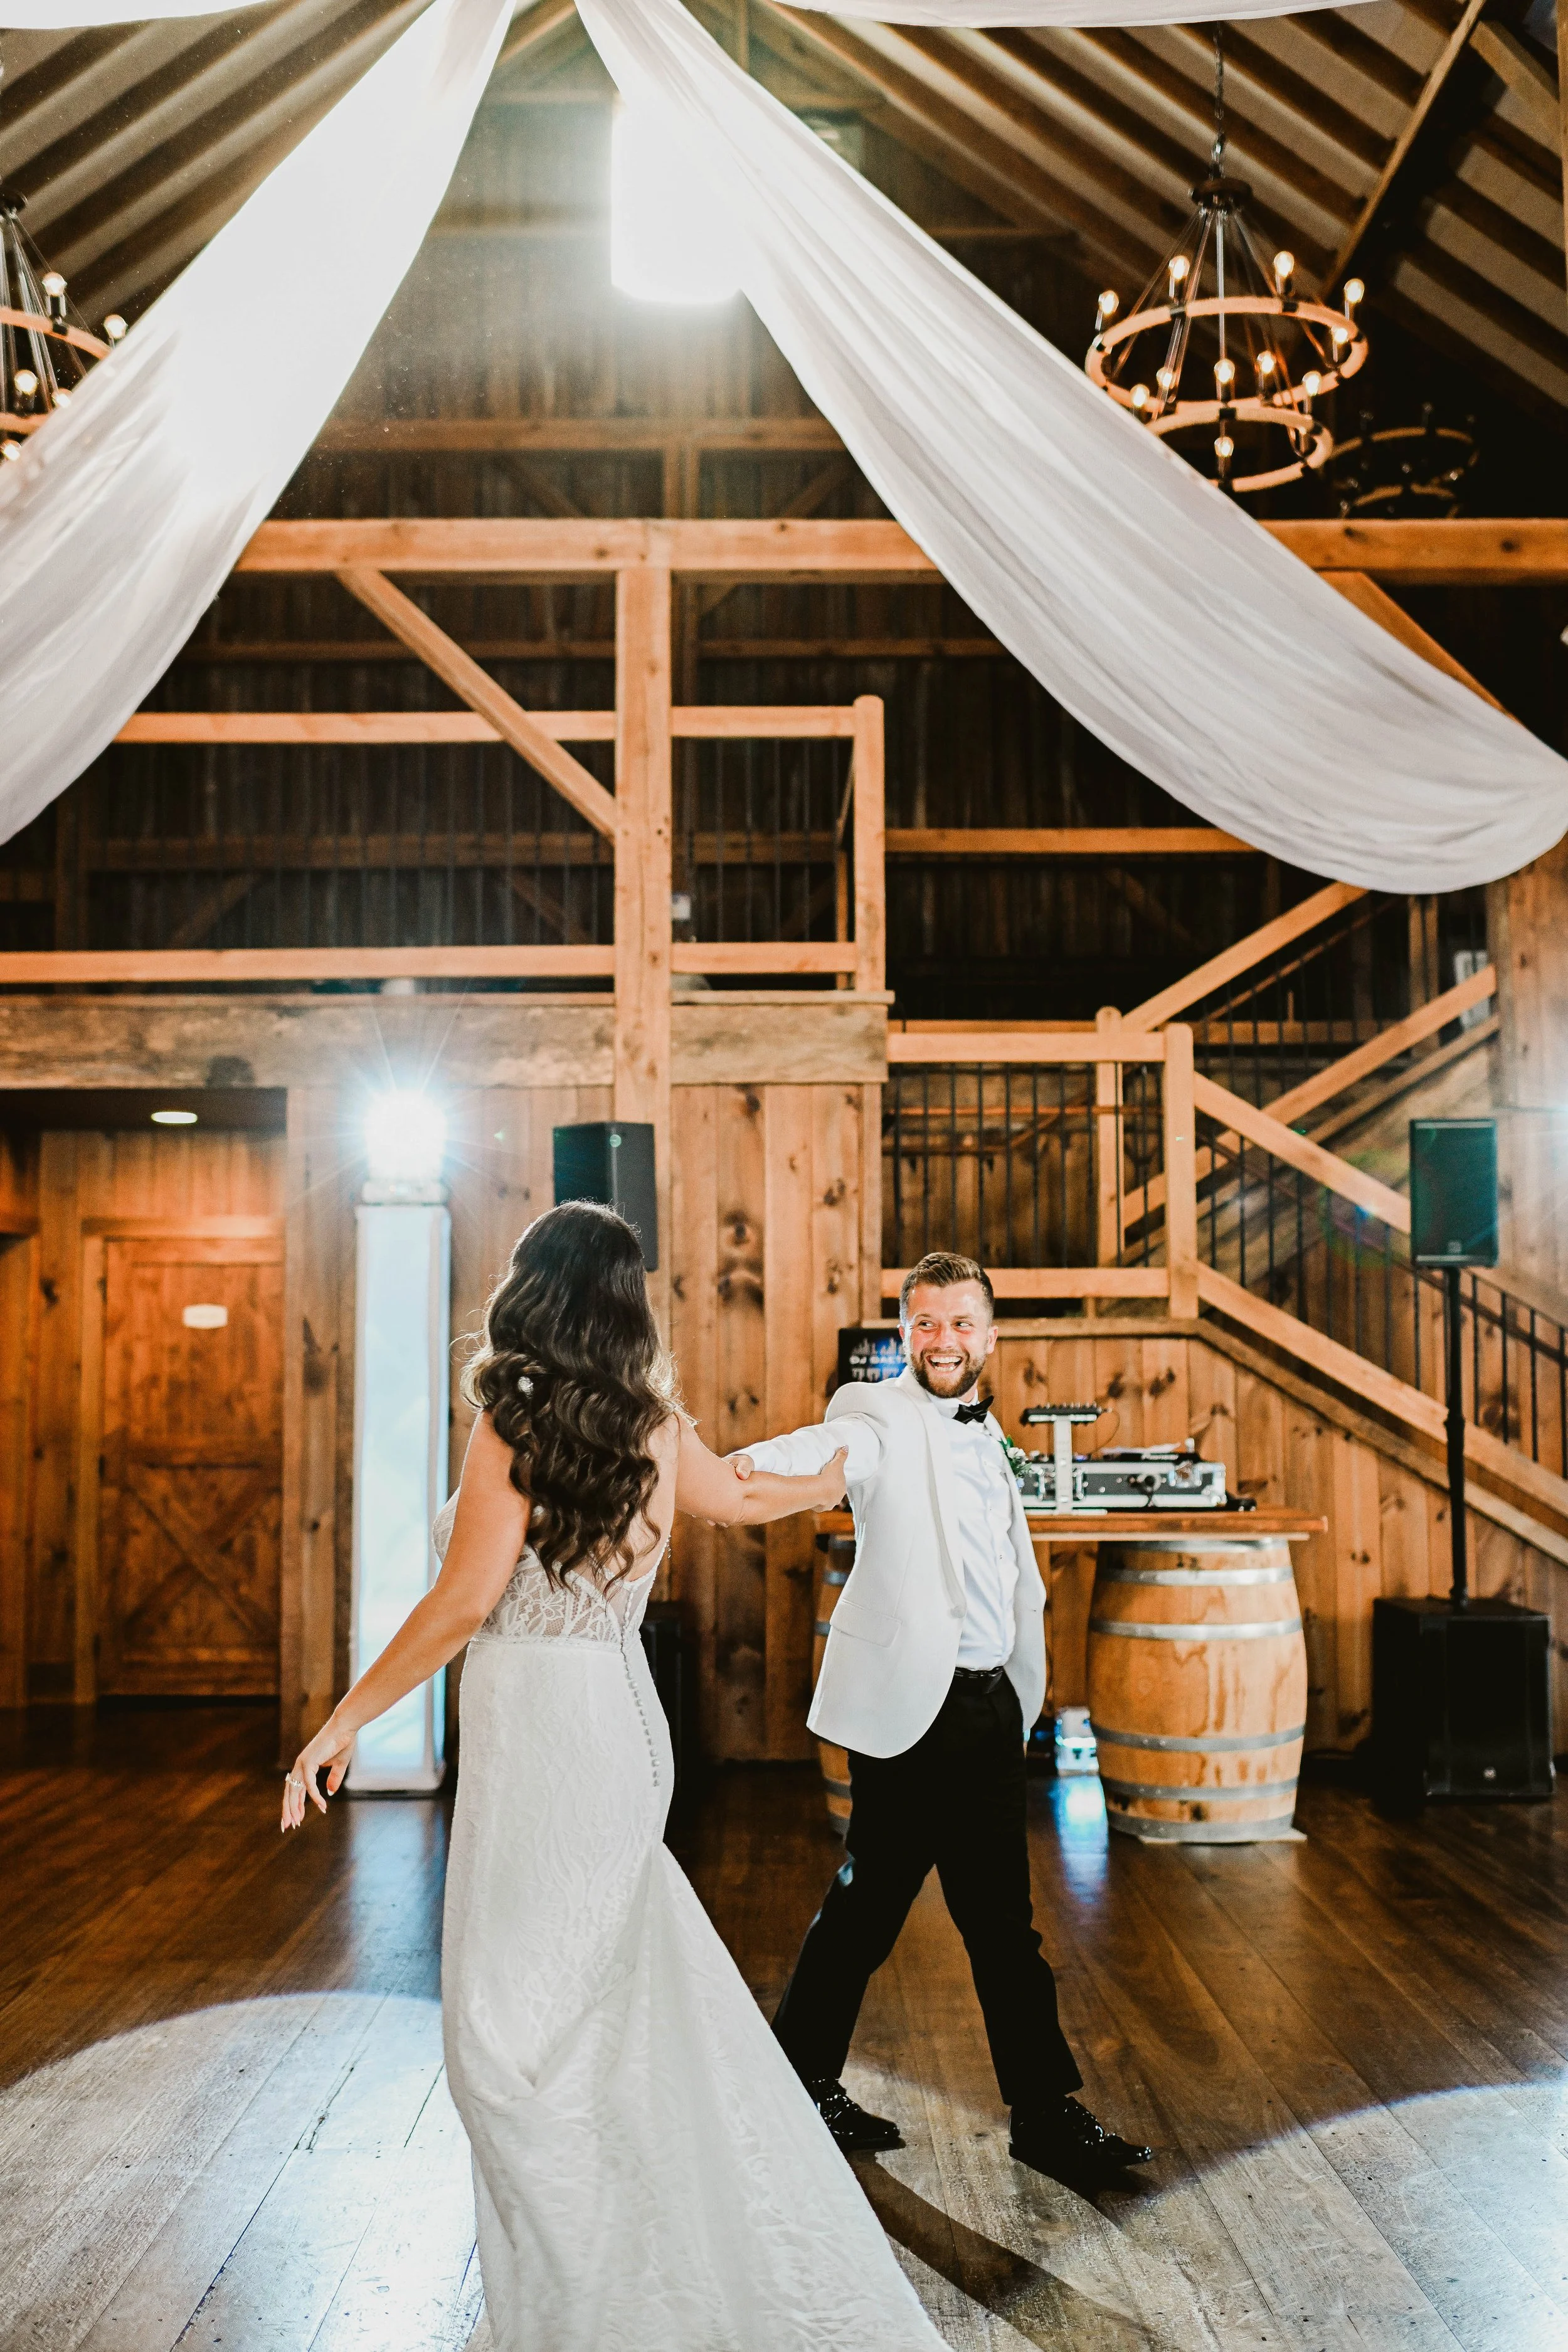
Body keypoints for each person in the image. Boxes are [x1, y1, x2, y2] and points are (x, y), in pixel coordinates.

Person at [281, 1202, 950, 2352]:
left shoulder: (513, 1420)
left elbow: (460, 1602)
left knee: (505, 2032)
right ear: (624, 1300)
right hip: (620, 1726)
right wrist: (846, 1468)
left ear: (533, 1290)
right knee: (596, 1998)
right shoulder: (652, 1424)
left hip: (542, 1731)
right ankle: (633, 2263)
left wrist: (341, 1720)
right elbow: (742, 1496)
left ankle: (587, 2297)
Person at [733, 1249, 1153, 2188]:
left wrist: (1016, 1692)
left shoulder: (989, 1436)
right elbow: (825, 1447)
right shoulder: (879, 1412)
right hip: (913, 1718)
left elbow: (1004, 1568)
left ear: (989, 1335)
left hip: (989, 1707)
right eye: (924, 1322)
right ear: (904, 1334)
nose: (942, 1340)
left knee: (1001, 1925)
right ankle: (801, 2085)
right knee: (865, 1911)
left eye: (960, 1322)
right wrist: (739, 1474)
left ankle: (1043, 2118)